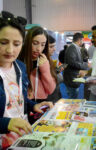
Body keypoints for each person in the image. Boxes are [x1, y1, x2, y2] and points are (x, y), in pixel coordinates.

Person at [0, 11, 53, 149]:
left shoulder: (20, 67)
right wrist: (6, 123)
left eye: (16, 44)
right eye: (3, 42)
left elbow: (18, 98)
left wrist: (32, 105)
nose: (10, 50)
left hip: (21, 136)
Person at [19, 26, 56, 103]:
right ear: (27, 42)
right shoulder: (19, 60)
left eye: (43, 45)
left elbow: (50, 90)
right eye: (35, 43)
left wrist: (45, 69)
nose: (39, 48)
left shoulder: (46, 60)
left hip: (41, 103)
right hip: (22, 103)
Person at [63, 33, 89, 99]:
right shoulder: (72, 48)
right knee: (72, 98)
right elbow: (72, 62)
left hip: (73, 77)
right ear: (79, 40)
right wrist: (84, 65)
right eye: (82, 40)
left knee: (73, 96)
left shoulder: (75, 47)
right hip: (71, 78)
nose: (83, 42)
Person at [47, 35, 62, 103]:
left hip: (55, 95)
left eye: (54, 46)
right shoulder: (43, 62)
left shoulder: (49, 59)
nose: (54, 49)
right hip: (49, 99)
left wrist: (56, 70)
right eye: (51, 47)